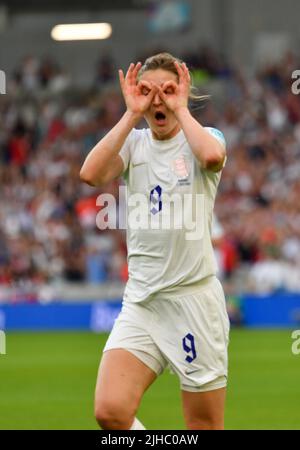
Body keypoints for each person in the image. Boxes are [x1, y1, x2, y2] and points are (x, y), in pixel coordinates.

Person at [80, 53, 230, 430]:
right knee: (110, 411)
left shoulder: (207, 138)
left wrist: (181, 109)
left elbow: (212, 158)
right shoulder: (133, 144)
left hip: (193, 302)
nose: (157, 99)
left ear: (184, 90)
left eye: (168, 90)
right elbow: (90, 174)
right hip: (143, 302)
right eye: (147, 91)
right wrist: (130, 114)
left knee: (204, 427)